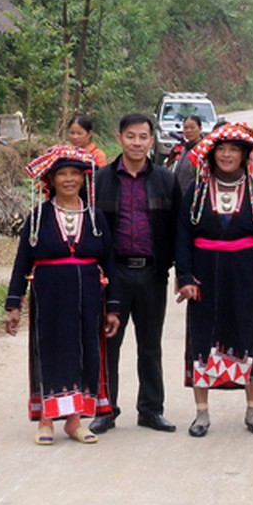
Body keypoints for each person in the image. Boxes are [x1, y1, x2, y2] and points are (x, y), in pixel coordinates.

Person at [175, 123, 253, 438]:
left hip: (244, 275)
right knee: (202, 340)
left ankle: (252, 411)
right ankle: (201, 413)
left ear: (244, 154)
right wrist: (184, 277)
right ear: (211, 153)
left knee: (249, 337)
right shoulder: (196, 191)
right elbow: (182, 237)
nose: (227, 155)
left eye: (234, 149)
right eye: (221, 149)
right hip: (204, 275)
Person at [4, 146, 123, 446]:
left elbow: (109, 262)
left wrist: (113, 306)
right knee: (50, 350)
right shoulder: (38, 217)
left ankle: (74, 421)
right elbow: (22, 262)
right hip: (50, 294)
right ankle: (46, 420)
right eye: (62, 174)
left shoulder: (95, 217)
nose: (69, 179)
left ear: (83, 179)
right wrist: (14, 303)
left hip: (89, 294)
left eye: (74, 174)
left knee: (85, 352)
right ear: (51, 180)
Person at [90, 113, 183, 434]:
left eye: (143, 137)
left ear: (151, 141)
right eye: (131, 136)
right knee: (108, 343)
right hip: (111, 274)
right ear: (119, 138)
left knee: (150, 344)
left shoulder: (166, 180)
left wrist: (177, 271)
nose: (137, 143)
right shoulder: (99, 179)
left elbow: (178, 230)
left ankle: (151, 409)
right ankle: (105, 409)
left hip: (152, 273)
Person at [167, 114, 205, 193]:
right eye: (185, 128)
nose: (188, 131)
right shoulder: (185, 148)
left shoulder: (203, 151)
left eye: (192, 127)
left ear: (200, 129)